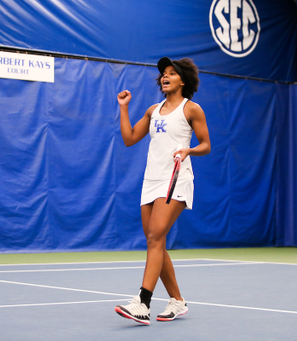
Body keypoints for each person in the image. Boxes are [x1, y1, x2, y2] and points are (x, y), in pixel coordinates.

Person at [114, 57, 211, 325]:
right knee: (155, 239)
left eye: (171, 73)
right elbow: (130, 138)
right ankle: (177, 301)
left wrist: (188, 150)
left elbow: (206, 145)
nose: (165, 77)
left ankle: (142, 302)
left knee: (155, 235)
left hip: (176, 179)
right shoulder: (152, 110)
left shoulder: (192, 110)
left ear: (183, 80)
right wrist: (124, 108)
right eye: (163, 74)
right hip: (151, 181)